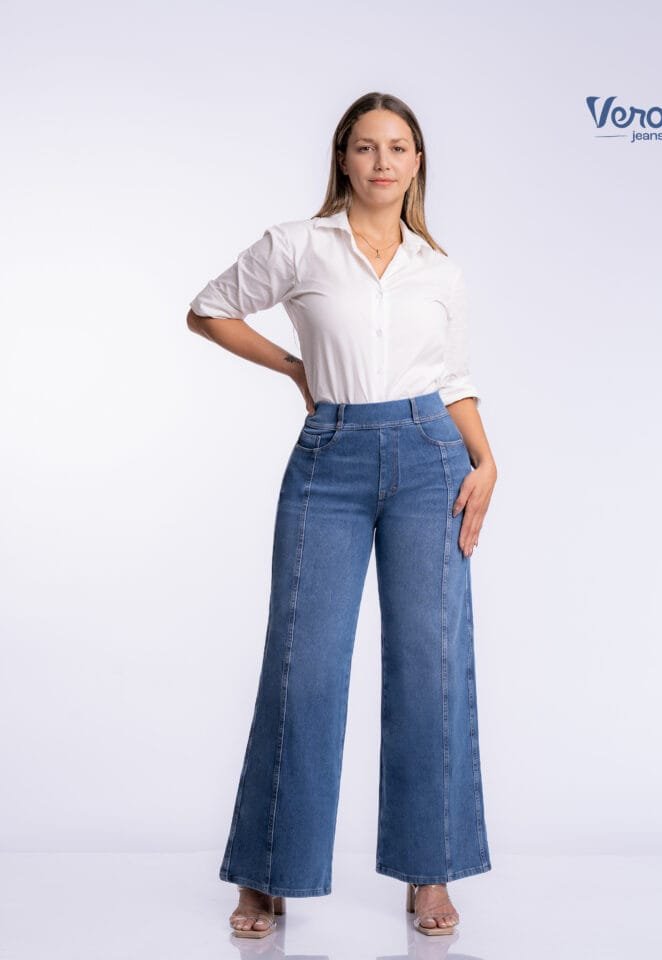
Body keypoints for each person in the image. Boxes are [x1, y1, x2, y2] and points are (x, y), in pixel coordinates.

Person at [187, 91, 497, 939]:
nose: (382, 161)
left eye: (398, 147)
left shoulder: (439, 269)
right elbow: (207, 309)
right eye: (366, 147)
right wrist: (296, 368)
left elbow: (454, 378)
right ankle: (266, 874)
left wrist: (487, 460)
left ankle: (430, 872)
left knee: (431, 664)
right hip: (330, 458)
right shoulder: (299, 245)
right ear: (343, 158)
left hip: (433, 459)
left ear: (418, 162)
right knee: (305, 666)